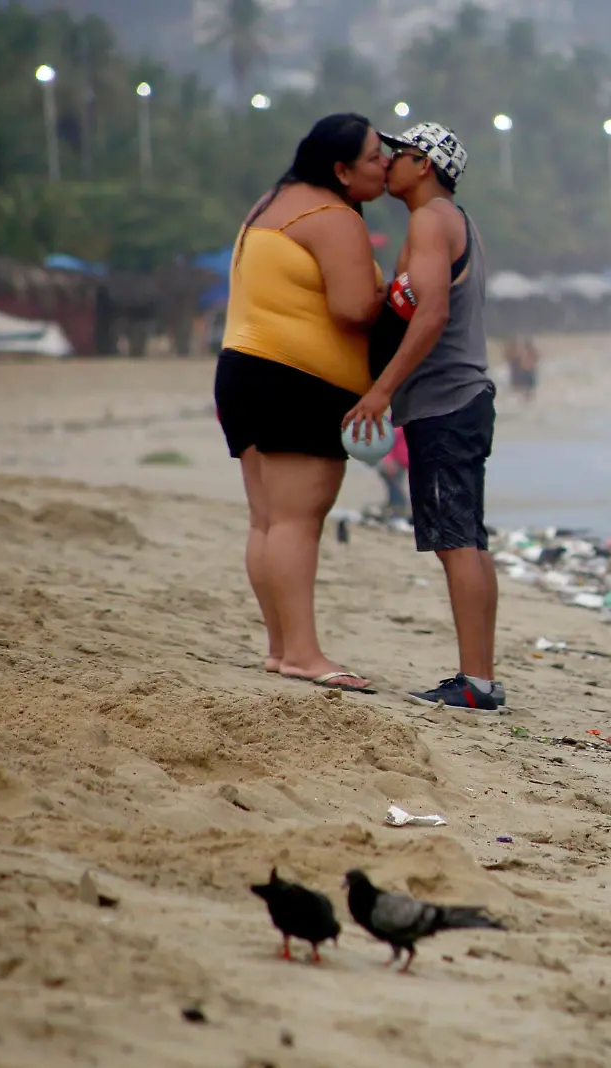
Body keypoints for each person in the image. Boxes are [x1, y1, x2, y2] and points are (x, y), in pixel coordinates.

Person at [214, 113, 390, 693]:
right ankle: (304, 654)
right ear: (340, 170)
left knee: (267, 519)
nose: (385, 163)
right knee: (297, 520)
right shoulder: (333, 217)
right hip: (296, 378)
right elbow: (353, 308)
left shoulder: (271, 203)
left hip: (243, 369)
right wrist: (393, 293)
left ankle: (280, 646)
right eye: (373, 157)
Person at [343, 122, 503, 710]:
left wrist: (382, 392)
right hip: (464, 399)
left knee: (455, 541)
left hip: (446, 400)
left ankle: (476, 682)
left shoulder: (432, 219)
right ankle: (481, 675)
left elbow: (431, 314)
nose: (387, 163)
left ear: (426, 165)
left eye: (400, 154)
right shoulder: (452, 223)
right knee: (470, 541)